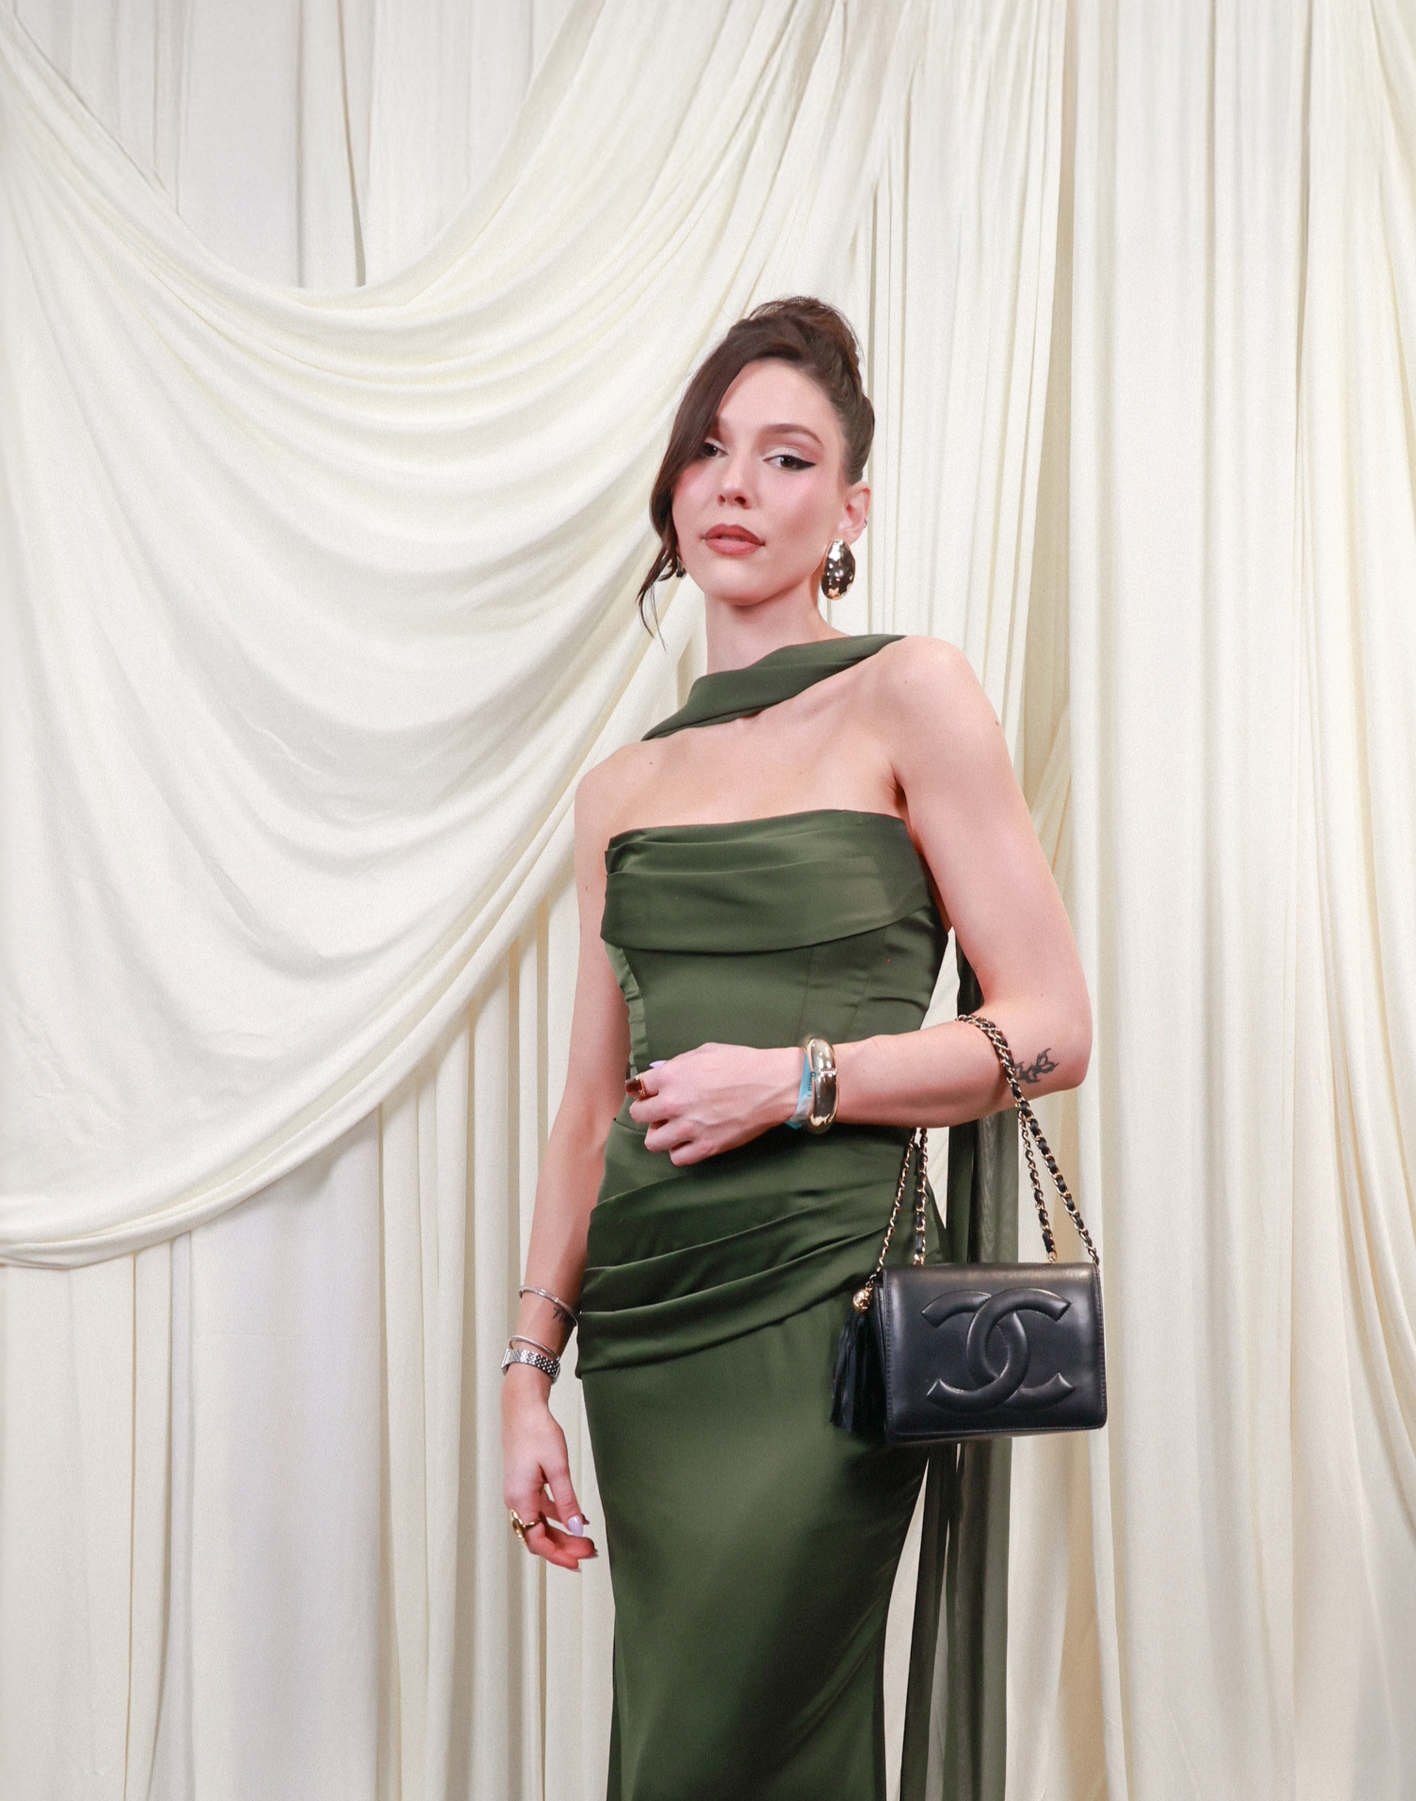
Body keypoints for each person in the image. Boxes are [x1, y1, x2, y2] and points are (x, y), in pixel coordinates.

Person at [498, 296, 1091, 1800]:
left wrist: (798, 1080)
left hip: (832, 1304)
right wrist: (526, 1375)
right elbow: (587, 1108)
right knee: (690, 1741)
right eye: (709, 450)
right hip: (651, 1328)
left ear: (849, 512)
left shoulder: (911, 693)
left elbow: (1049, 1026)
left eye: (784, 457)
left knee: (721, 1744)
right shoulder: (618, 789)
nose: (734, 486)